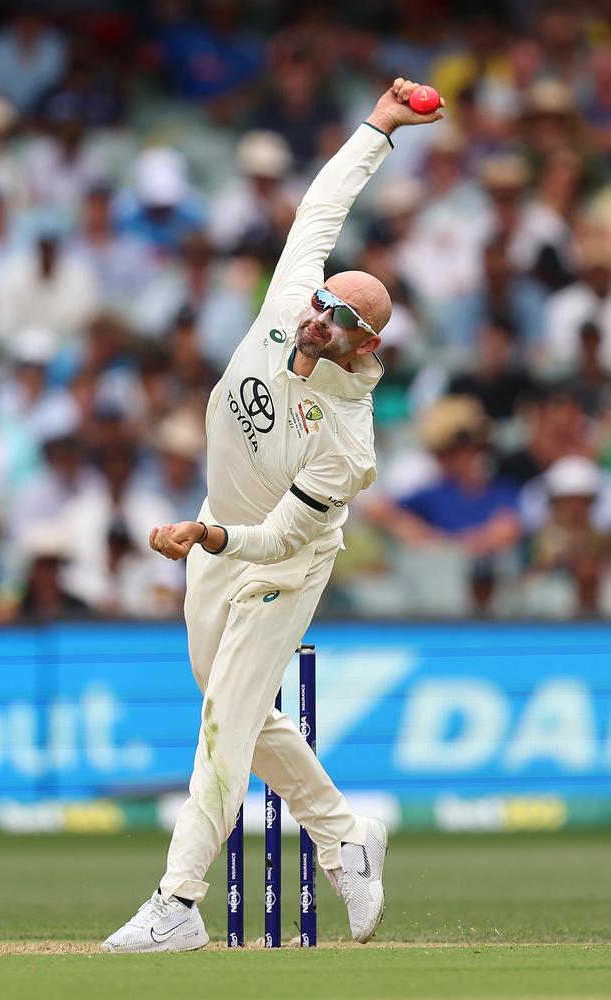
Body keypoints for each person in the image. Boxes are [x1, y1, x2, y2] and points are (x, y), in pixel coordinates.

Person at [102, 77, 444, 954]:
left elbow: (284, 537)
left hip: (280, 563)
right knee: (240, 712)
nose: (320, 320)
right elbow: (323, 204)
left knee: (222, 719)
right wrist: (379, 125)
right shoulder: (293, 294)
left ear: (367, 344)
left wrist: (211, 537)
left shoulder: (348, 439)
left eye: (343, 320)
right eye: (326, 303)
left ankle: (178, 903)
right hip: (217, 532)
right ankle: (343, 834)